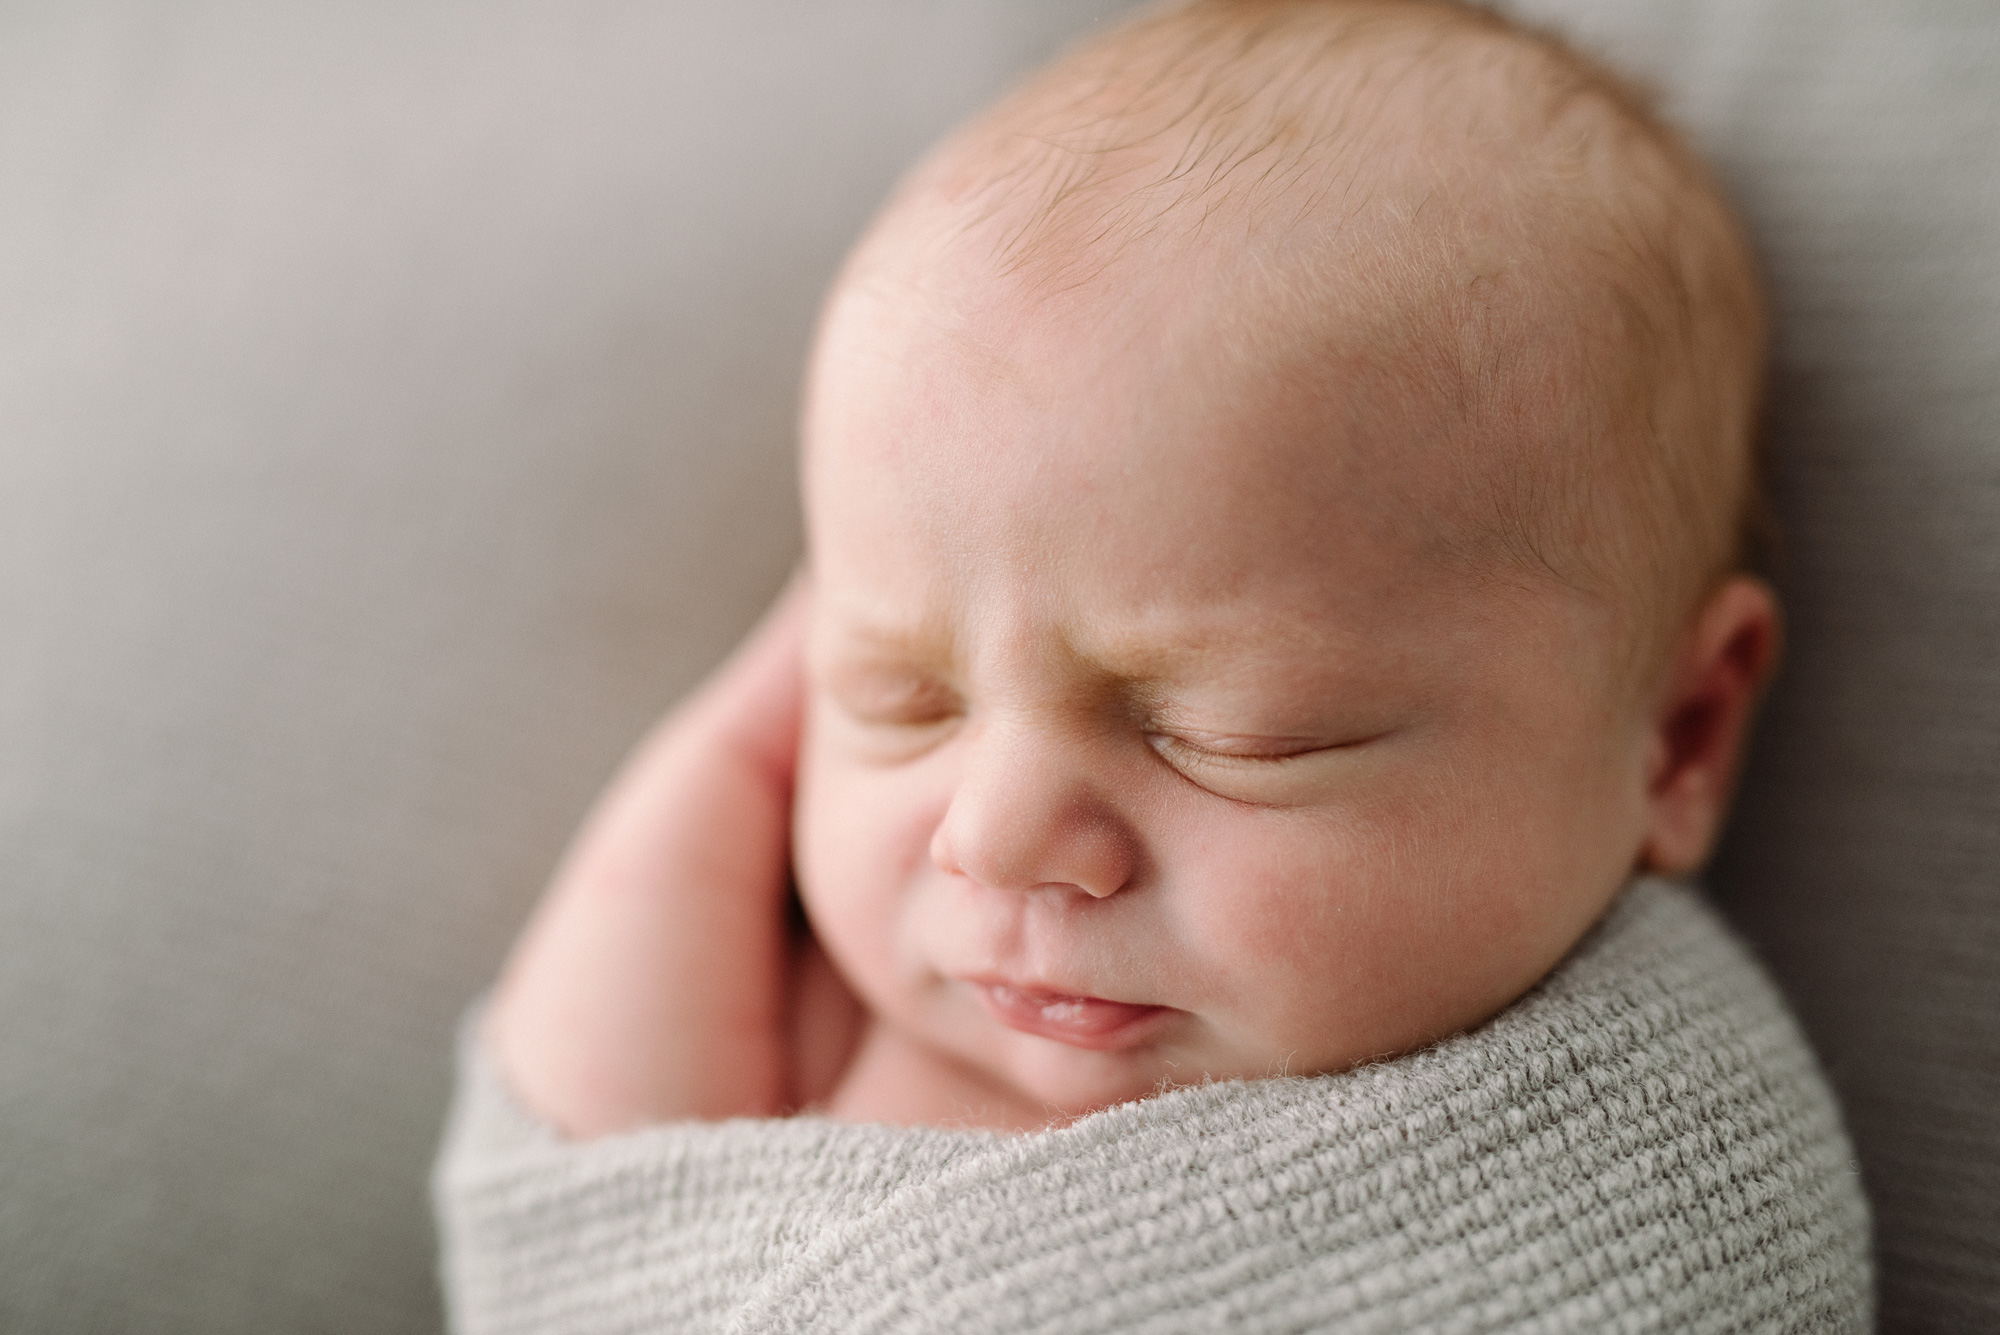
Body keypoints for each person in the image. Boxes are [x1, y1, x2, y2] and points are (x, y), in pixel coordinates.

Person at [435, 1, 1870, 1328]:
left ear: (1675, 736)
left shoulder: (1644, 1157)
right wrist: (747, 734)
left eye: (1229, 733)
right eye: (901, 695)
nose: (990, 840)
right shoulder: (814, 1027)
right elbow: (570, 1211)